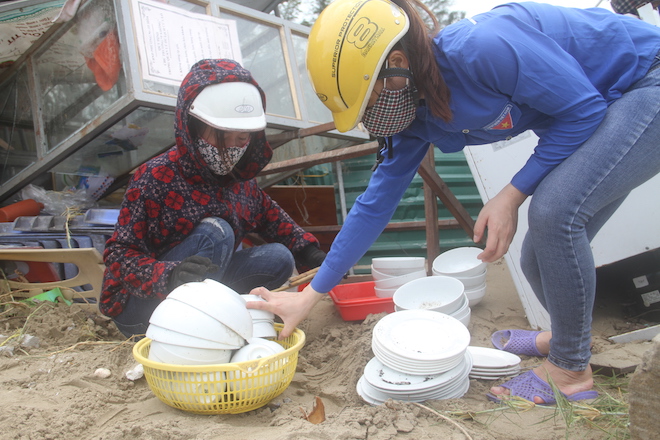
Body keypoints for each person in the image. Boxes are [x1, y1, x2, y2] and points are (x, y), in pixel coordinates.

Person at [247, 0, 660, 405]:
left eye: (368, 102)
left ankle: (570, 370)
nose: (370, 119)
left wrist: (510, 195)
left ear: (396, 65)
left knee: (553, 214)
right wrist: (310, 294)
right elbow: (375, 204)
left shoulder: (482, 48)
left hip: (647, 79)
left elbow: (582, 112)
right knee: (537, 253)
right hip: (610, 102)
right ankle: (567, 337)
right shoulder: (413, 114)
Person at [100, 59, 326, 339]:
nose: (231, 148)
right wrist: (168, 275)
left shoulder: (240, 181)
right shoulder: (155, 177)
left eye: (241, 138)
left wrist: (308, 252)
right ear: (193, 127)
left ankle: (215, 318)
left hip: (201, 288)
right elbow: (118, 256)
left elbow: (270, 216)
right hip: (142, 309)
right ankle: (196, 328)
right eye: (221, 137)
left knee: (279, 258)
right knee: (215, 233)